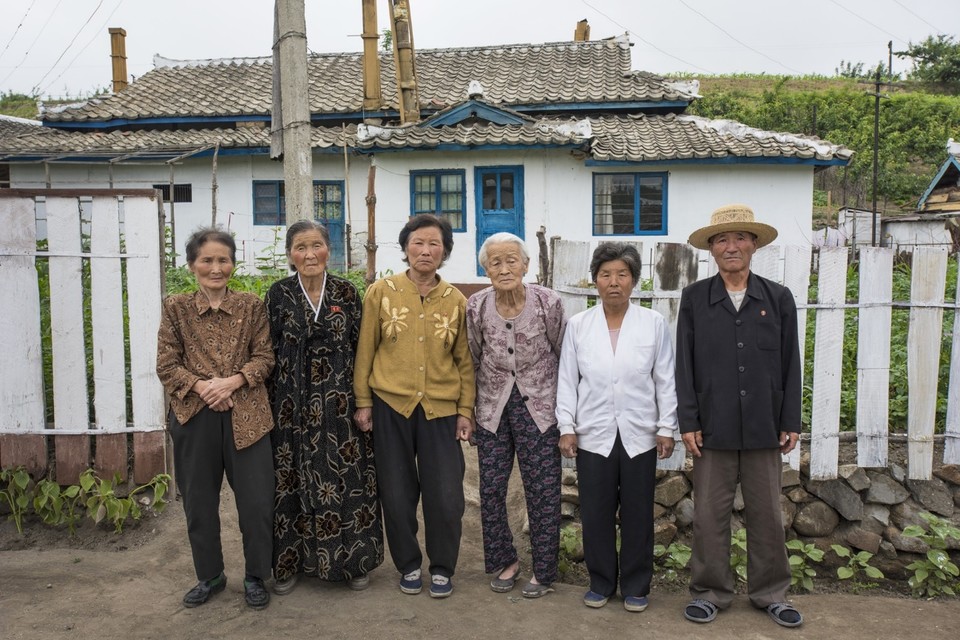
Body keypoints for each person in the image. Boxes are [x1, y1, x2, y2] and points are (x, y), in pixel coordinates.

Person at [676, 204, 803, 628]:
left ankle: (771, 594)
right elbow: (685, 366)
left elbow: (790, 363)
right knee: (710, 516)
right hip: (713, 427)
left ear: (753, 245)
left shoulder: (777, 298)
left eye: (740, 238)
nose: (732, 246)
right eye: (722, 240)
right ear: (711, 250)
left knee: (767, 513)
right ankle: (710, 592)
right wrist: (689, 421)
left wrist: (791, 420)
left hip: (765, 426)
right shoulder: (695, 299)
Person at [353, 214, 476, 599]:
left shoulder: (455, 299)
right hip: (391, 406)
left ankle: (441, 568)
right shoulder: (382, 292)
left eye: (434, 244)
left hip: (441, 410)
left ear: (445, 252)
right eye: (418, 243)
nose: (425, 251)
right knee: (396, 491)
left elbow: (464, 360)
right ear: (405, 247)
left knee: (446, 495)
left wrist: (465, 410)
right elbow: (365, 351)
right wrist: (363, 402)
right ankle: (407, 564)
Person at [156, 228, 275, 610]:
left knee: (257, 504)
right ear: (192, 264)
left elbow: (265, 358)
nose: (215, 267)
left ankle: (256, 575)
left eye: (223, 259)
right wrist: (205, 388)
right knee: (199, 503)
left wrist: (232, 382)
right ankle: (210, 576)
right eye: (206, 259)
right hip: (195, 416)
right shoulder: (176, 307)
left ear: (233, 264)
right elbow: (166, 364)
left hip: (249, 416)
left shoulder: (252, 305)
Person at [555, 242, 677, 612]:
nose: (614, 282)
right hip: (593, 434)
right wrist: (567, 426)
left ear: (634, 281)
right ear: (595, 280)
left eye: (622, 274)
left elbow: (665, 379)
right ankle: (601, 582)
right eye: (606, 274)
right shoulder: (579, 325)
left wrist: (666, 426)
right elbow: (567, 380)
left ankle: (636, 586)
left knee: (639, 514)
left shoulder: (653, 323)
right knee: (595, 512)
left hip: (640, 434)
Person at [265, 220, 383, 596]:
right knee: (290, 481)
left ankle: (354, 563)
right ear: (290, 255)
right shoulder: (278, 294)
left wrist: (365, 403)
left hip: (341, 407)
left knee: (348, 481)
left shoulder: (347, 293)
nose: (309, 254)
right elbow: (266, 354)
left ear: (328, 250)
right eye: (300, 247)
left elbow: (363, 352)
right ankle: (290, 564)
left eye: (316, 245)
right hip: (290, 409)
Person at [466, 232, 566, 599]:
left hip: (539, 409)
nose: (504, 268)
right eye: (495, 262)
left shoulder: (548, 302)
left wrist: (566, 414)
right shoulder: (475, 305)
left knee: (542, 490)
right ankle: (505, 560)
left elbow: (563, 354)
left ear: (526, 264)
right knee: (490, 490)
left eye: (512, 260)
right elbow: (473, 357)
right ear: (485, 268)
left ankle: (543, 570)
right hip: (492, 408)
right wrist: (470, 410)